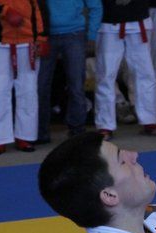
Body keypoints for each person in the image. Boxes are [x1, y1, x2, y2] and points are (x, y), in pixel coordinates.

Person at [0, 0, 49, 154]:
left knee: (28, 92)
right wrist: (4, 11)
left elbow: (40, 9)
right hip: (0, 42)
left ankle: (25, 136)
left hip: (28, 42)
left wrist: (42, 37)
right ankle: (0, 139)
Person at [94, 0, 156, 138]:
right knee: (106, 76)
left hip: (138, 19)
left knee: (145, 73)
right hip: (108, 21)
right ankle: (105, 125)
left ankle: (150, 121)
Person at [35, 0, 100, 143]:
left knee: (76, 85)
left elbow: (96, 6)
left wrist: (92, 34)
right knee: (40, 86)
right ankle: (40, 132)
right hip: (45, 35)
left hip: (74, 33)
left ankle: (77, 129)